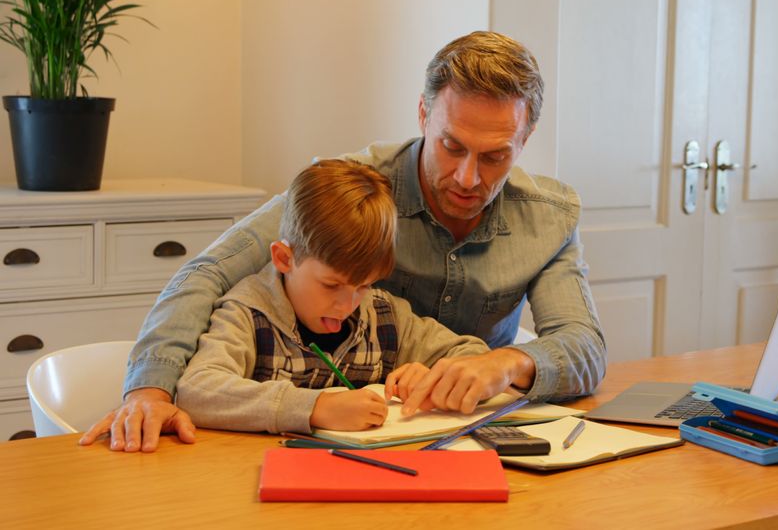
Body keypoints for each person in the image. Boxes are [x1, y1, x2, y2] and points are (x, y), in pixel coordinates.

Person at [80, 30, 606, 452]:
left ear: (525, 140)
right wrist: (150, 389)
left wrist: (506, 362)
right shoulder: (347, 190)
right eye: (450, 146)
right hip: (327, 445)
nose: (468, 178)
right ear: (424, 115)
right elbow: (209, 272)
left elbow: (584, 347)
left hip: (461, 440)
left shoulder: (550, 216)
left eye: (495, 156)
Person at [175, 159, 490, 434]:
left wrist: (437, 377)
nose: (348, 304)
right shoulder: (249, 312)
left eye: (363, 285)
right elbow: (198, 391)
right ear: (284, 259)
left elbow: (476, 356)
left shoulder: (384, 315)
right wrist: (316, 408)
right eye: (331, 285)